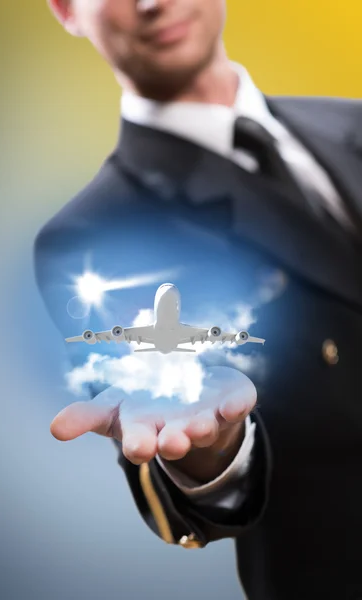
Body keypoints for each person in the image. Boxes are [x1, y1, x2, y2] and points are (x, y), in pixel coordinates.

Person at [34, 1, 362, 598]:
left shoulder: (353, 123)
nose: (152, 3)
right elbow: (165, 431)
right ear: (65, 9)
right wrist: (207, 457)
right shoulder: (93, 239)